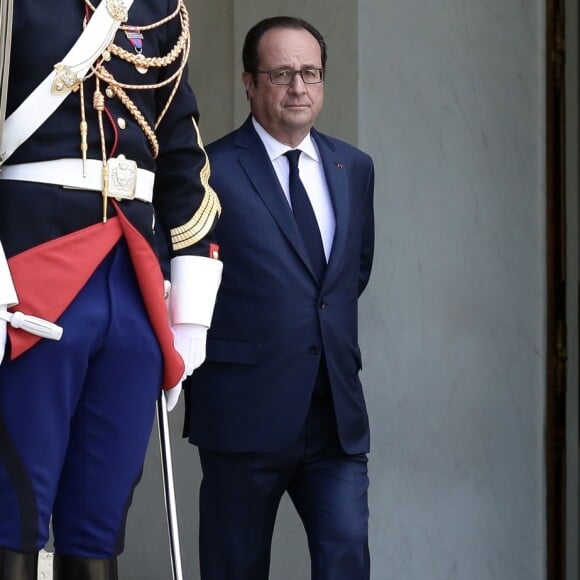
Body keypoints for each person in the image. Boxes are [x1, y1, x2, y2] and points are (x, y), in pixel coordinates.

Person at [0, 1, 222, 578]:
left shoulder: (156, 10)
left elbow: (180, 150)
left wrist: (191, 309)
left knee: (99, 525)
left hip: (131, 281)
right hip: (29, 276)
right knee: (12, 515)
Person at [183, 15, 375, 580]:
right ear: (249, 81)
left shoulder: (353, 167)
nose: (299, 88)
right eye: (282, 73)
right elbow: (193, 282)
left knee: (347, 562)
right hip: (243, 415)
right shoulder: (209, 171)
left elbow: (349, 277)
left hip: (334, 414)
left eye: (310, 73)